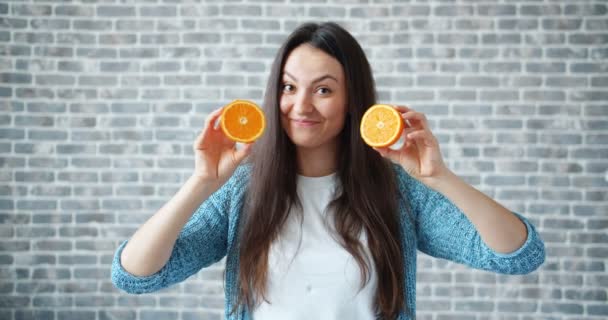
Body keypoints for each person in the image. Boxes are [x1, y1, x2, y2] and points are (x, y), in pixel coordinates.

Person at [111, 22, 545, 320]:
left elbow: (516, 255)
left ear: (352, 99)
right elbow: (136, 275)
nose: (301, 106)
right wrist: (201, 182)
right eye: (288, 87)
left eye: (323, 89)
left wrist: (439, 178)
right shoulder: (246, 190)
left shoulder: (395, 191)